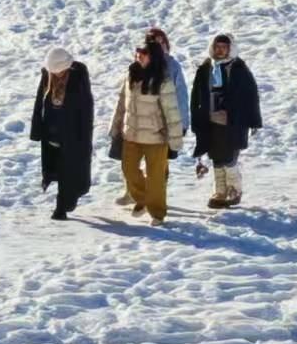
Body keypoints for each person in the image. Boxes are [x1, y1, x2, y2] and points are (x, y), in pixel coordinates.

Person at [109, 41, 183, 224]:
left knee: (156, 178)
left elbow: (171, 112)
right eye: (137, 53)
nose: (139, 56)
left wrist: (175, 140)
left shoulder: (163, 81)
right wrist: (115, 126)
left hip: (156, 137)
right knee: (128, 170)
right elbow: (121, 103)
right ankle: (142, 199)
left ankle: (157, 213)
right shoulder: (131, 75)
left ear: (154, 56)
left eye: (143, 53)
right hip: (131, 135)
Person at [190, 33, 262, 210]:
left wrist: (254, 120)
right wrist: (196, 116)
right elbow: (197, 94)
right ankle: (219, 192)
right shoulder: (206, 68)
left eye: (224, 47)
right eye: (217, 47)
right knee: (216, 157)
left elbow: (251, 95)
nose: (220, 50)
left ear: (230, 48)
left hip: (233, 121)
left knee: (229, 158)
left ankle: (234, 190)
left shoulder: (238, 68)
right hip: (210, 121)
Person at [30, 45, 94, 220]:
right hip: (51, 131)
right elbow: (39, 103)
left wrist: (85, 133)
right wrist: (36, 130)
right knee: (56, 168)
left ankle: (62, 206)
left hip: (72, 133)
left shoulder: (78, 74)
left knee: (69, 170)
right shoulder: (47, 75)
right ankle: (65, 202)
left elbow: (86, 105)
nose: (57, 74)